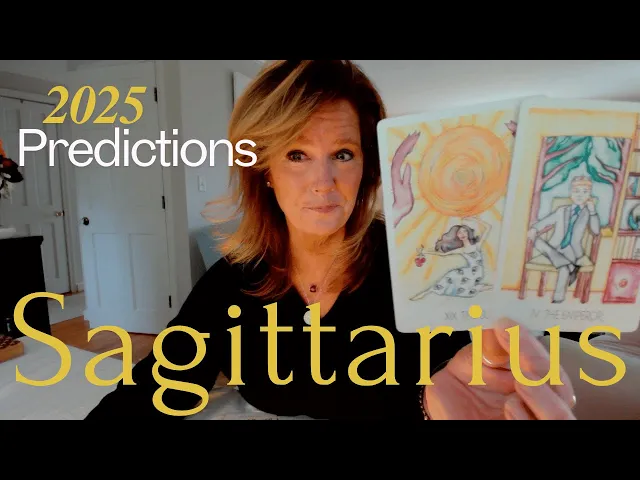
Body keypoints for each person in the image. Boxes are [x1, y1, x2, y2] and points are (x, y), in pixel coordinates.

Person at [85, 60, 579, 420]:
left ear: (366, 167)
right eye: (296, 155)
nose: (323, 182)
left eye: (343, 154)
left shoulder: (421, 269)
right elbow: (158, 387)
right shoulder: (232, 282)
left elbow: (494, 365)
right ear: (265, 171)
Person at [527, 175, 601, 303]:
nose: (580, 195)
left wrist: (593, 212)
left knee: (563, 269)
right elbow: (546, 221)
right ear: (571, 193)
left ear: (589, 195)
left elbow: (596, 231)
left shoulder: (588, 213)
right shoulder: (561, 210)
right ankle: (572, 267)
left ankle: (558, 299)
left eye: (584, 192)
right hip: (555, 246)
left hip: (572, 250)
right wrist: (535, 228)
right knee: (536, 240)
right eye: (576, 191)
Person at [410, 217, 493, 301]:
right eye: (459, 232)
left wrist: (475, 219)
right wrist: (425, 251)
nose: (462, 234)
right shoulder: (461, 250)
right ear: (457, 236)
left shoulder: (477, 245)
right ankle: (428, 291)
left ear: (468, 233)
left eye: (464, 231)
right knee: (452, 275)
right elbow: (443, 254)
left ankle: (479, 288)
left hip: (477, 273)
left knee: (456, 277)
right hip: (470, 272)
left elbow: (488, 227)